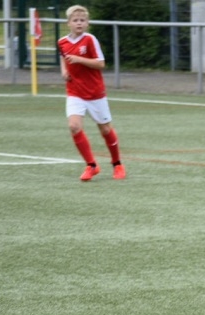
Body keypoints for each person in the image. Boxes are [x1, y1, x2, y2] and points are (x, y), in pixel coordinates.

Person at [57, 5, 125, 182]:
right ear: (68, 23)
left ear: (87, 23)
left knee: (105, 129)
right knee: (74, 126)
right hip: (74, 91)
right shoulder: (62, 42)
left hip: (95, 92)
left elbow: (101, 63)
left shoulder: (90, 40)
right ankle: (91, 165)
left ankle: (117, 163)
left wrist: (79, 59)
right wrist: (64, 71)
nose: (79, 23)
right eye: (75, 20)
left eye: (82, 20)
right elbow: (63, 56)